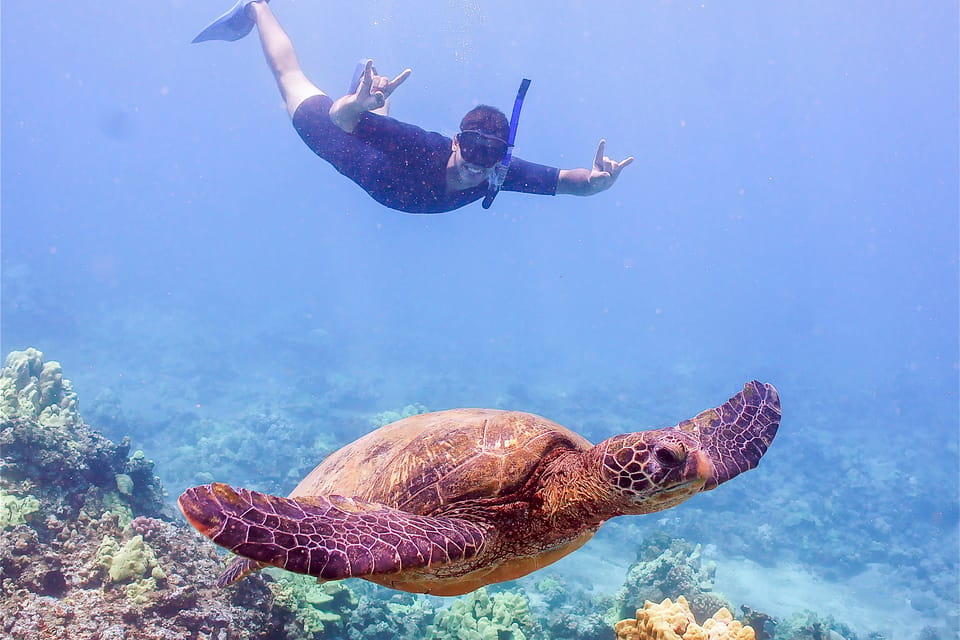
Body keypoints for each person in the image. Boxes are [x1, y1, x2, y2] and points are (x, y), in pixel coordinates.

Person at [193, 0, 634, 214]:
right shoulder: (423, 146)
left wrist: (600, 181)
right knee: (291, 80)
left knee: (376, 125)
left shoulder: (500, 171)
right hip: (337, 140)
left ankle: (370, 97)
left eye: (490, 158)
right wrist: (354, 107)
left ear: (502, 156)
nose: (474, 170)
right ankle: (256, 7)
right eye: (471, 154)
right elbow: (339, 121)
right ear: (456, 142)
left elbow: (569, 183)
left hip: (383, 160)